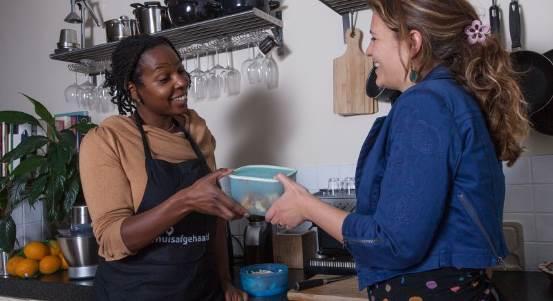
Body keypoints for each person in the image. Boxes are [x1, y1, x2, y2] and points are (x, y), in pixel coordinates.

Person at [265, 0, 528, 300]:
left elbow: (392, 242)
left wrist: (306, 206)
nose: (367, 50)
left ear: (413, 43)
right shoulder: (449, 98)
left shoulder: (425, 104)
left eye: (375, 38)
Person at [79, 35, 248, 301]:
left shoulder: (196, 130)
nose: (181, 82)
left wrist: (225, 279)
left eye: (180, 70)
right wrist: (186, 200)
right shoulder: (108, 140)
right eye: (164, 78)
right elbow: (112, 239)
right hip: (137, 294)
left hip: (203, 291)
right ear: (134, 89)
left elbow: (215, 219)